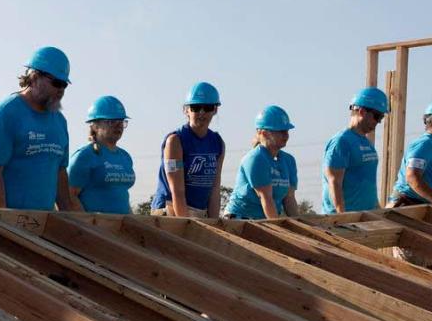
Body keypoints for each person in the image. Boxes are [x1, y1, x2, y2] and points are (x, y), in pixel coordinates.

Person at [0, 47, 72, 211]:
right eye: (56, 83)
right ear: (34, 77)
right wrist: (4, 219)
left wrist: (69, 217)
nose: (61, 90)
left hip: (41, 222)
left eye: (64, 85)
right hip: (1, 221)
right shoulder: (6, 114)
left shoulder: (60, 122)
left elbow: (60, 172)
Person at [151, 82, 226, 218]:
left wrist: (215, 224)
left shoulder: (218, 142)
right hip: (172, 210)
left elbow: (215, 189)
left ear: (215, 110)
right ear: (186, 110)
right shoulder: (175, 141)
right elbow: (177, 191)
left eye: (207, 107)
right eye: (196, 107)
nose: (202, 112)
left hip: (199, 212)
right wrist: (186, 224)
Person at [321, 87, 389, 214]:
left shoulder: (367, 143)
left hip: (366, 217)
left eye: (381, 118)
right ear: (362, 111)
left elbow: (369, 184)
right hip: (344, 222)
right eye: (377, 116)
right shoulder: (342, 141)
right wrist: (342, 215)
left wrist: (377, 209)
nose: (379, 122)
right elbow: (334, 181)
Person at [224, 106, 300, 220]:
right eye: (281, 131)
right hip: (241, 219)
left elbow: (289, 199)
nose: (286, 135)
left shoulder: (288, 161)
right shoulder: (255, 159)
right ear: (264, 133)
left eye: (287, 131)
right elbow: (266, 199)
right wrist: (278, 229)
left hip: (265, 219)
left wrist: (300, 226)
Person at [68, 95, 135, 214]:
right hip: (95, 229)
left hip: (121, 228)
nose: (118, 125)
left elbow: (121, 196)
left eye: (121, 121)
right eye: (111, 121)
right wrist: (88, 225)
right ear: (95, 125)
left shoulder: (125, 157)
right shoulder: (84, 156)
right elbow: (68, 196)